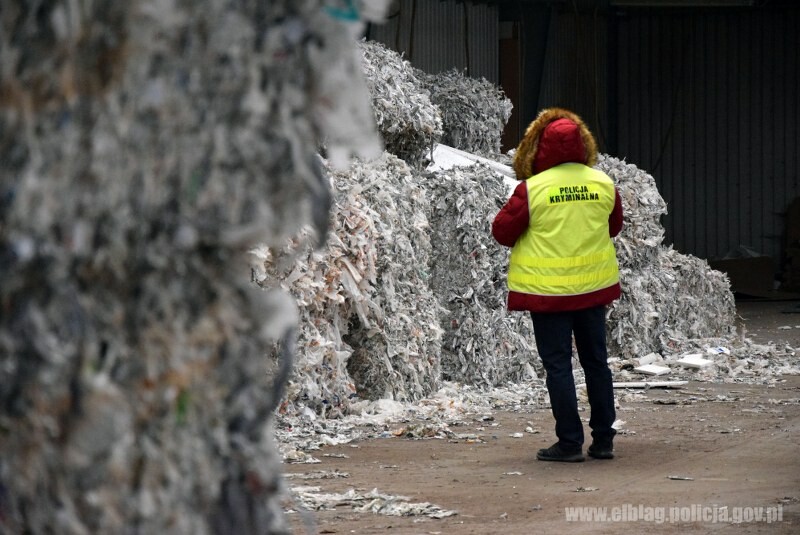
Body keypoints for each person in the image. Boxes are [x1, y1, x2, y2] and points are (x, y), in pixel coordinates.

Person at [492, 108, 624, 462]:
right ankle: (604, 440)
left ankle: (569, 443)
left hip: (548, 295)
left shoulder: (532, 189)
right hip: (593, 291)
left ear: (541, 148)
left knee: (559, 366)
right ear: (583, 146)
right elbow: (613, 228)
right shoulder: (604, 184)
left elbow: (502, 232)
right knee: (597, 363)